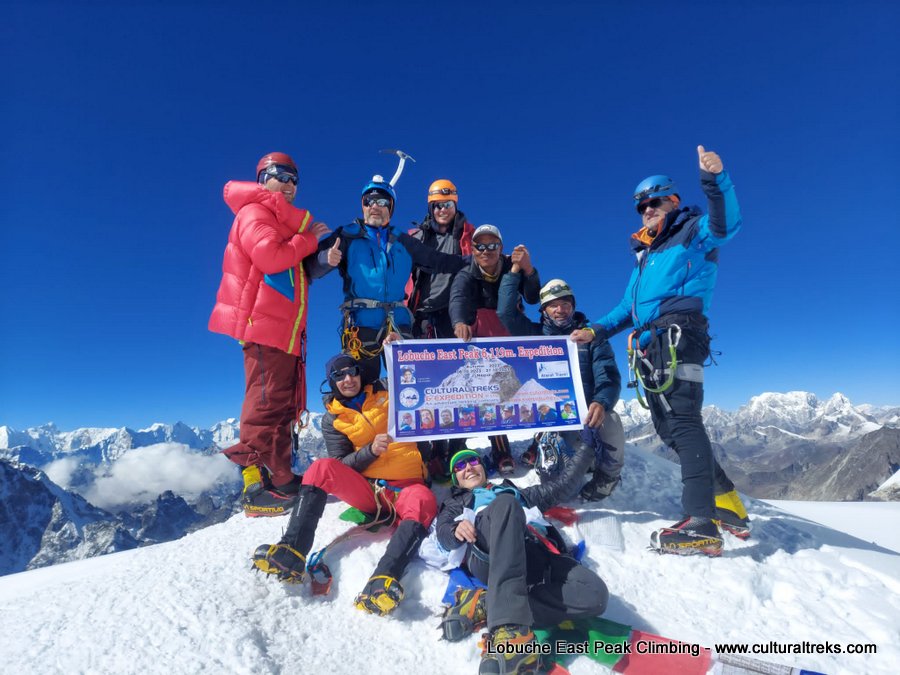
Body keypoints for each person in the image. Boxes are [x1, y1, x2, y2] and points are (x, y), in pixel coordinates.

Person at [573, 146, 750, 555]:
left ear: (672, 200)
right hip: (653, 347)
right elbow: (627, 310)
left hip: (678, 337)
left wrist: (715, 179)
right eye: (641, 206)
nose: (647, 210)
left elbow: (727, 226)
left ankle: (701, 522)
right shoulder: (645, 258)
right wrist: (594, 330)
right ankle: (729, 507)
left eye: (654, 202)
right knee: (672, 430)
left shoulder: (692, 233)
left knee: (684, 424)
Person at [252, 350, 436, 616]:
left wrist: (398, 347)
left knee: (423, 499)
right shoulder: (333, 418)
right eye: (339, 375)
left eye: (352, 372)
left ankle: (383, 579)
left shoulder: (387, 391)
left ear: (360, 374)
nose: (348, 379)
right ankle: (292, 551)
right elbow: (340, 463)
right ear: (331, 381)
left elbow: (415, 378)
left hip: (408, 487)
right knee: (321, 467)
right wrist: (370, 451)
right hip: (372, 492)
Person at [209, 152, 330, 517]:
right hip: (264, 326)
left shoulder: (278, 219)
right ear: (263, 178)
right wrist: (309, 241)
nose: (291, 184)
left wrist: (318, 258)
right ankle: (256, 488)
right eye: (282, 176)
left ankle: (280, 477)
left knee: (279, 403)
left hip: (281, 328)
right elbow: (270, 259)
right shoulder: (255, 212)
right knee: (264, 404)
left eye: (295, 178)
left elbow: (289, 273)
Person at [435, 443, 608, 674]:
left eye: (473, 461)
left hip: (537, 552)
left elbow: (562, 485)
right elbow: (443, 533)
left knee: (595, 595)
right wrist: (455, 530)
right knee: (505, 505)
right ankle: (510, 632)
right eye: (460, 465)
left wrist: (588, 443)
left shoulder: (516, 492)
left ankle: (488, 603)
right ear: (455, 478)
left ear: (483, 468)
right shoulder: (457, 502)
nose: (468, 467)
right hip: (489, 553)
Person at [308, 175, 466, 383]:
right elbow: (309, 269)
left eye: (383, 202)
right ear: (363, 206)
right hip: (361, 323)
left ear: (390, 208)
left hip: (398, 323)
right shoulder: (346, 236)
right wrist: (325, 260)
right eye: (369, 201)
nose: (375, 206)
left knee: (411, 384)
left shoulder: (402, 240)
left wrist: (479, 261)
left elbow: (437, 261)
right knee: (363, 383)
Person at [498, 276, 625, 501]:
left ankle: (607, 477)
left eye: (566, 304)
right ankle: (582, 456)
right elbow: (506, 314)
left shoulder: (590, 337)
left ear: (573, 306)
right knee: (554, 480)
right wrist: (515, 272)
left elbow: (608, 376)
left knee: (612, 421)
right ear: (544, 310)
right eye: (553, 305)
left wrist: (601, 402)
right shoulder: (535, 335)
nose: (560, 309)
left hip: (586, 413)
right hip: (556, 419)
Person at [449, 225, 542, 474]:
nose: (486, 250)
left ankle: (523, 446)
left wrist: (529, 269)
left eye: (492, 245)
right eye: (480, 245)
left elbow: (533, 298)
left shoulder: (513, 265)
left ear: (500, 248)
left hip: (511, 334)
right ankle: (482, 448)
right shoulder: (466, 272)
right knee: (485, 393)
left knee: (518, 392)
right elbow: (457, 298)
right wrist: (459, 322)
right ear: (473, 248)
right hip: (482, 336)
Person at [406, 179, 475, 479]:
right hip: (422, 313)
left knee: (459, 383)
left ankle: (456, 448)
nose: (442, 210)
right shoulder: (418, 236)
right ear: (430, 208)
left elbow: (488, 262)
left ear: (455, 204)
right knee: (425, 385)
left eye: (447, 204)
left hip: (455, 315)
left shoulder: (470, 235)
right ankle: (429, 452)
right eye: (437, 205)